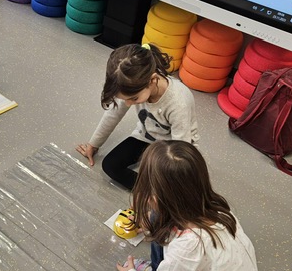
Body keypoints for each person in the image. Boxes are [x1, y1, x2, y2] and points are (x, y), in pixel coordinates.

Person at [105, 140, 258, 271]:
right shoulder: (215, 206)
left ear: (156, 198)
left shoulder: (190, 248)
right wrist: (150, 224)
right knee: (155, 220)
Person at [76, 43, 199, 190]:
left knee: (173, 180)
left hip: (173, 146)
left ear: (152, 80)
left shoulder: (178, 101)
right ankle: (151, 190)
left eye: (133, 99)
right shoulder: (129, 86)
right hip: (147, 137)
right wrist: (94, 144)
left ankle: (160, 191)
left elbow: (181, 146)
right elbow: (112, 115)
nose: (128, 104)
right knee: (110, 165)